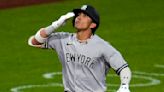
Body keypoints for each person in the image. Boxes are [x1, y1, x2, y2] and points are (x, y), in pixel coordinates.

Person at [28, 5, 132, 92]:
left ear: (93, 24)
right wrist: (55, 25)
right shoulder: (63, 39)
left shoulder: (102, 46)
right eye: (78, 15)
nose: (78, 17)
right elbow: (34, 41)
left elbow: (123, 68)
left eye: (85, 16)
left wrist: (124, 86)